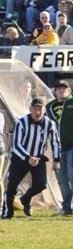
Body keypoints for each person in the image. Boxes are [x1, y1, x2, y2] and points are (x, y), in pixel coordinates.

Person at [2, 98, 60, 219]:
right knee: (12, 185)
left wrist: (56, 159)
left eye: (40, 109)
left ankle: (25, 199)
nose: (37, 112)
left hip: (38, 158)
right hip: (20, 158)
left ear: (44, 110)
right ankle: (7, 212)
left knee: (41, 184)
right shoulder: (21, 122)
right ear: (30, 109)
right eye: (35, 109)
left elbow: (55, 142)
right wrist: (27, 157)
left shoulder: (50, 123)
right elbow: (16, 144)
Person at [46, 80, 73, 215]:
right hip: (57, 148)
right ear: (55, 91)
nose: (62, 90)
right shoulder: (49, 106)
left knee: (72, 177)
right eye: (59, 88)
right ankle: (67, 207)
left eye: (64, 88)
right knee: (62, 180)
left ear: (69, 90)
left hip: (72, 146)